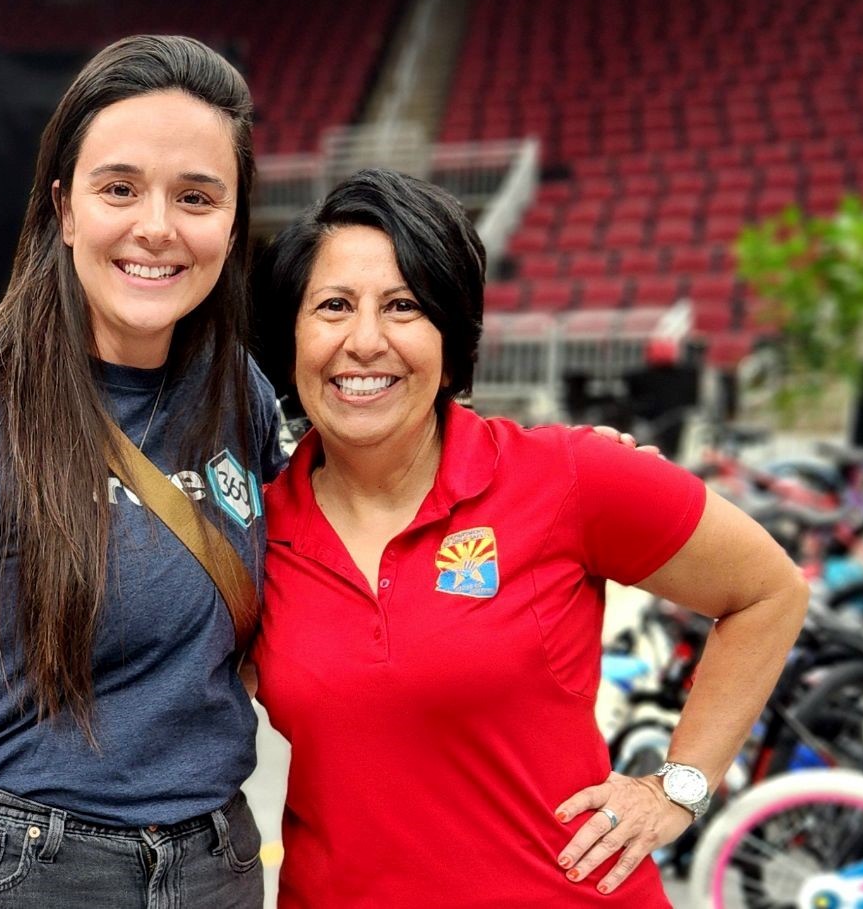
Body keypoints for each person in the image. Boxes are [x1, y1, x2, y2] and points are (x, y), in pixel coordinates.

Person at [252, 169, 810, 907]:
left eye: (403, 306)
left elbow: (768, 591)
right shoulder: (252, 529)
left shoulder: (567, 475)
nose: (364, 340)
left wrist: (679, 785)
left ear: (452, 342)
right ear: (291, 340)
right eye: (331, 306)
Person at [0, 35, 285, 908]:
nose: (157, 227)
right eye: (119, 188)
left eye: (196, 196)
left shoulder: (238, 391)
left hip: (218, 868)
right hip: (26, 868)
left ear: (233, 222)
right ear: (63, 204)